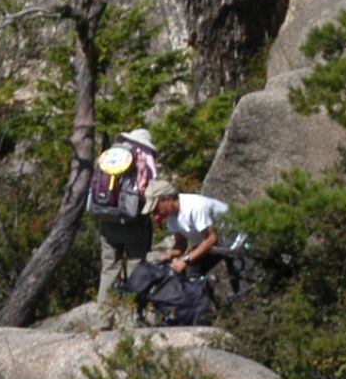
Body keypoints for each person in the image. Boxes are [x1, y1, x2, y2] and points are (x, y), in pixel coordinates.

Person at [86, 127, 161, 302]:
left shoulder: (109, 156)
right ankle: (132, 307)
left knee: (109, 267)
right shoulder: (143, 158)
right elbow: (147, 192)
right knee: (136, 264)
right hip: (132, 221)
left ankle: (104, 311)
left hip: (106, 219)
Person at [146, 180, 247, 301]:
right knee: (192, 270)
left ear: (167, 199)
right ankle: (200, 303)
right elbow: (181, 243)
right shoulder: (171, 217)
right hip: (213, 243)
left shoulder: (195, 207)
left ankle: (244, 300)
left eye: (156, 209)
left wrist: (185, 260)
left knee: (241, 278)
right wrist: (170, 254)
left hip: (233, 238)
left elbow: (212, 238)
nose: (155, 214)